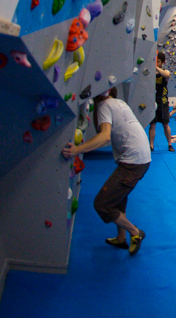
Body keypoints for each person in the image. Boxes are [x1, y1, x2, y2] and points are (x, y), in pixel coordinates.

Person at [62, 88, 149, 256]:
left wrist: (77, 150)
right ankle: (121, 238)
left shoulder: (103, 106)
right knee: (118, 198)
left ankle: (135, 232)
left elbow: (105, 137)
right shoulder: (119, 102)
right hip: (140, 158)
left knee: (102, 204)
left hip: (133, 162)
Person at [149, 51, 173, 152]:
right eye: (155, 61)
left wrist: (156, 67)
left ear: (162, 62)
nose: (156, 63)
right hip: (152, 101)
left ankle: (170, 144)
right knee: (152, 125)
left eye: (158, 61)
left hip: (163, 102)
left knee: (165, 124)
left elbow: (167, 75)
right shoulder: (150, 73)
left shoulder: (164, 72)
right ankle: (151, 145)